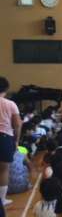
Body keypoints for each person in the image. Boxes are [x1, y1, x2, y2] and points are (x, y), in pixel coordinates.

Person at [0, 77, 22, 206]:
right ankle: (1, 200)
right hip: (4, 137)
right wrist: (16, 140)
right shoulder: (10, 104)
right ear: (6, 89)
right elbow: (17, 124)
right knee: (3, 169)